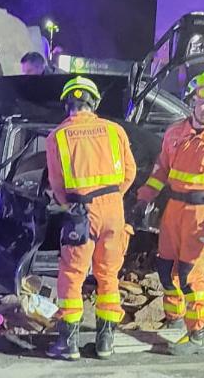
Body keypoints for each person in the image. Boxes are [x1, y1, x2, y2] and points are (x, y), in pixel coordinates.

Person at [136, 71, 204, 356]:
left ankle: (197, 334)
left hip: (203, 215)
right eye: (202, 102)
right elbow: (161, 171)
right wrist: (143, 199)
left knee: (189, 275)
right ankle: (175, 319)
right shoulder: (175, 134)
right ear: (191, 103)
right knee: (164, 269)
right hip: (173, 211)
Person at [45, 76, 136, 360]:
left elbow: (57, 185)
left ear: (67, 103)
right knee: (108, 275)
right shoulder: (114, 130)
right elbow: (130, 172)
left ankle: (68, 344)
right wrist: (110, 199)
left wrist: (74, 203)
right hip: (113, 211)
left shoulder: (57, 137)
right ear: (93, 102)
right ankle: (105, 342)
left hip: (80, 212)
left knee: (72, 275)